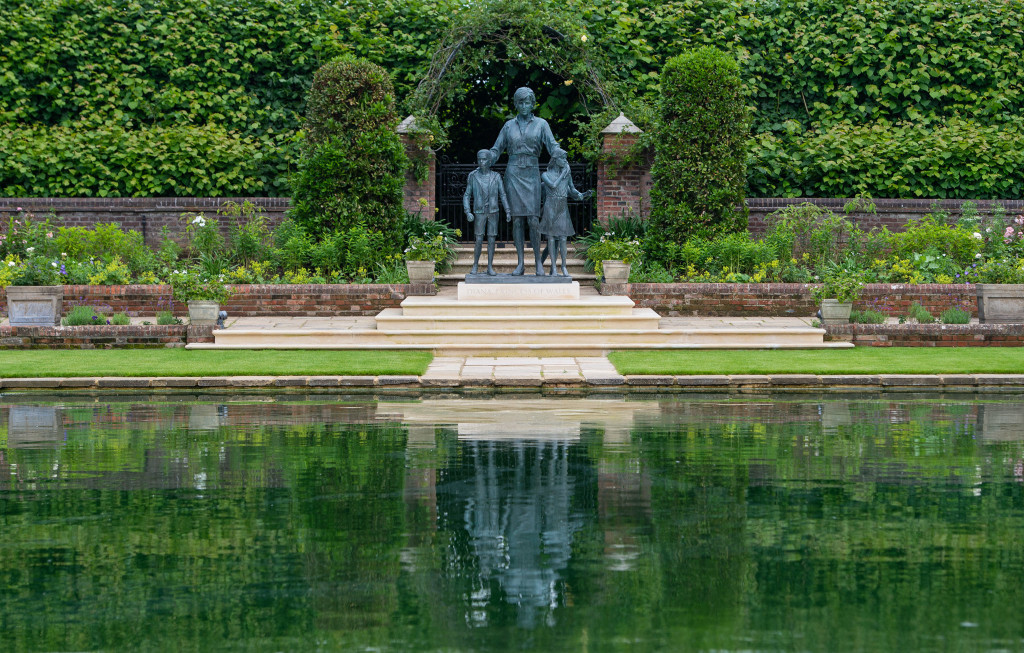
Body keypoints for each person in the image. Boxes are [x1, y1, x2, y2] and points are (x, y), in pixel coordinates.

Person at [489, 87, 560, 276]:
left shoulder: (541, 124)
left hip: (532, 173)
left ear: (532, 103)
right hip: (512, 174)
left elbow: (552, 146)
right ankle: (520, 263)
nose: (523, 106)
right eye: (520, 102)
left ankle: (538, 262)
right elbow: (497, 149)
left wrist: (560, 156)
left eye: (527, 102)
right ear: (516, 104)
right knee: (517, 220)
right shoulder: (508, 126)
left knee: (533, 220)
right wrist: (488, 157)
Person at [539, 148, 592, 276]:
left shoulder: (566, 175)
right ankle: (553, 268)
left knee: (563, 238)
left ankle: (563, 266)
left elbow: (572, 190)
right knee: (551, 238)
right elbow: (552, 185)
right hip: (550, 206)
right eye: (562, 158)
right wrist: (563, 174)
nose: (565, 161)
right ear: (556, 160)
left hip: (562, 207)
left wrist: (583, 194)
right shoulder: (545, 175)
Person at [463, 149, 511, 276]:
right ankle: (475, 265)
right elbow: (467, 195)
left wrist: (507, 210)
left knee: (491, 239)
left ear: (490, 161)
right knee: (478, 239)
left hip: (493, 211)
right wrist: (467, 211)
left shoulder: (496, 176)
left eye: (484, 159)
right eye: (479, 159)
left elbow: (503, 194)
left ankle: (490, 266)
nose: (481, 162)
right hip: (479, 212)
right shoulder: (473, 176)